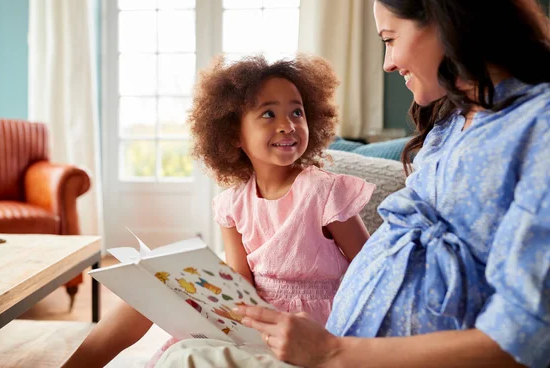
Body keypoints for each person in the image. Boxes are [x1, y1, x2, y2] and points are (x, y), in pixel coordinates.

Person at [155, 0, 550, 367]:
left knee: (185, 361)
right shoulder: (451, 124)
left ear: (449, 21)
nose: (388, 63)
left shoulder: (539, 127)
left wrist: (333, 351)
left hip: (343, 354)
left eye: (390, 39)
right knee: (179, 345)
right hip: (331, 348)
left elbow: (526, 334)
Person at [62, 55, 375, 368]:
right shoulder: (232, 205)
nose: (288, 125)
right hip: (254, 317)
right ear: (234, 136)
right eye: (269, 113)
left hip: (310, 328)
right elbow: (241, 282)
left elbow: (372, 271)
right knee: (146, 292)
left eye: (297, 112)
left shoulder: (325, 191)